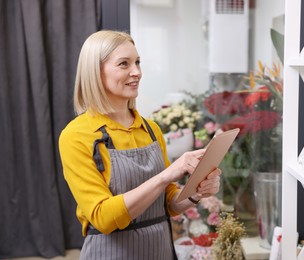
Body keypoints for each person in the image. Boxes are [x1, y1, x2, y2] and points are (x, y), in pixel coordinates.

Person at [59, 30, 221, 260]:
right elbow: (103, 218)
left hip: (160, 250)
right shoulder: (77, 135)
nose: (136, 72)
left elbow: (168, 203)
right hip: (110, 253)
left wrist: (196, 191)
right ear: (95, 71)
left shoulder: (150, 129)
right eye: (124, 64)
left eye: (137, 62)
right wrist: (166, 176)